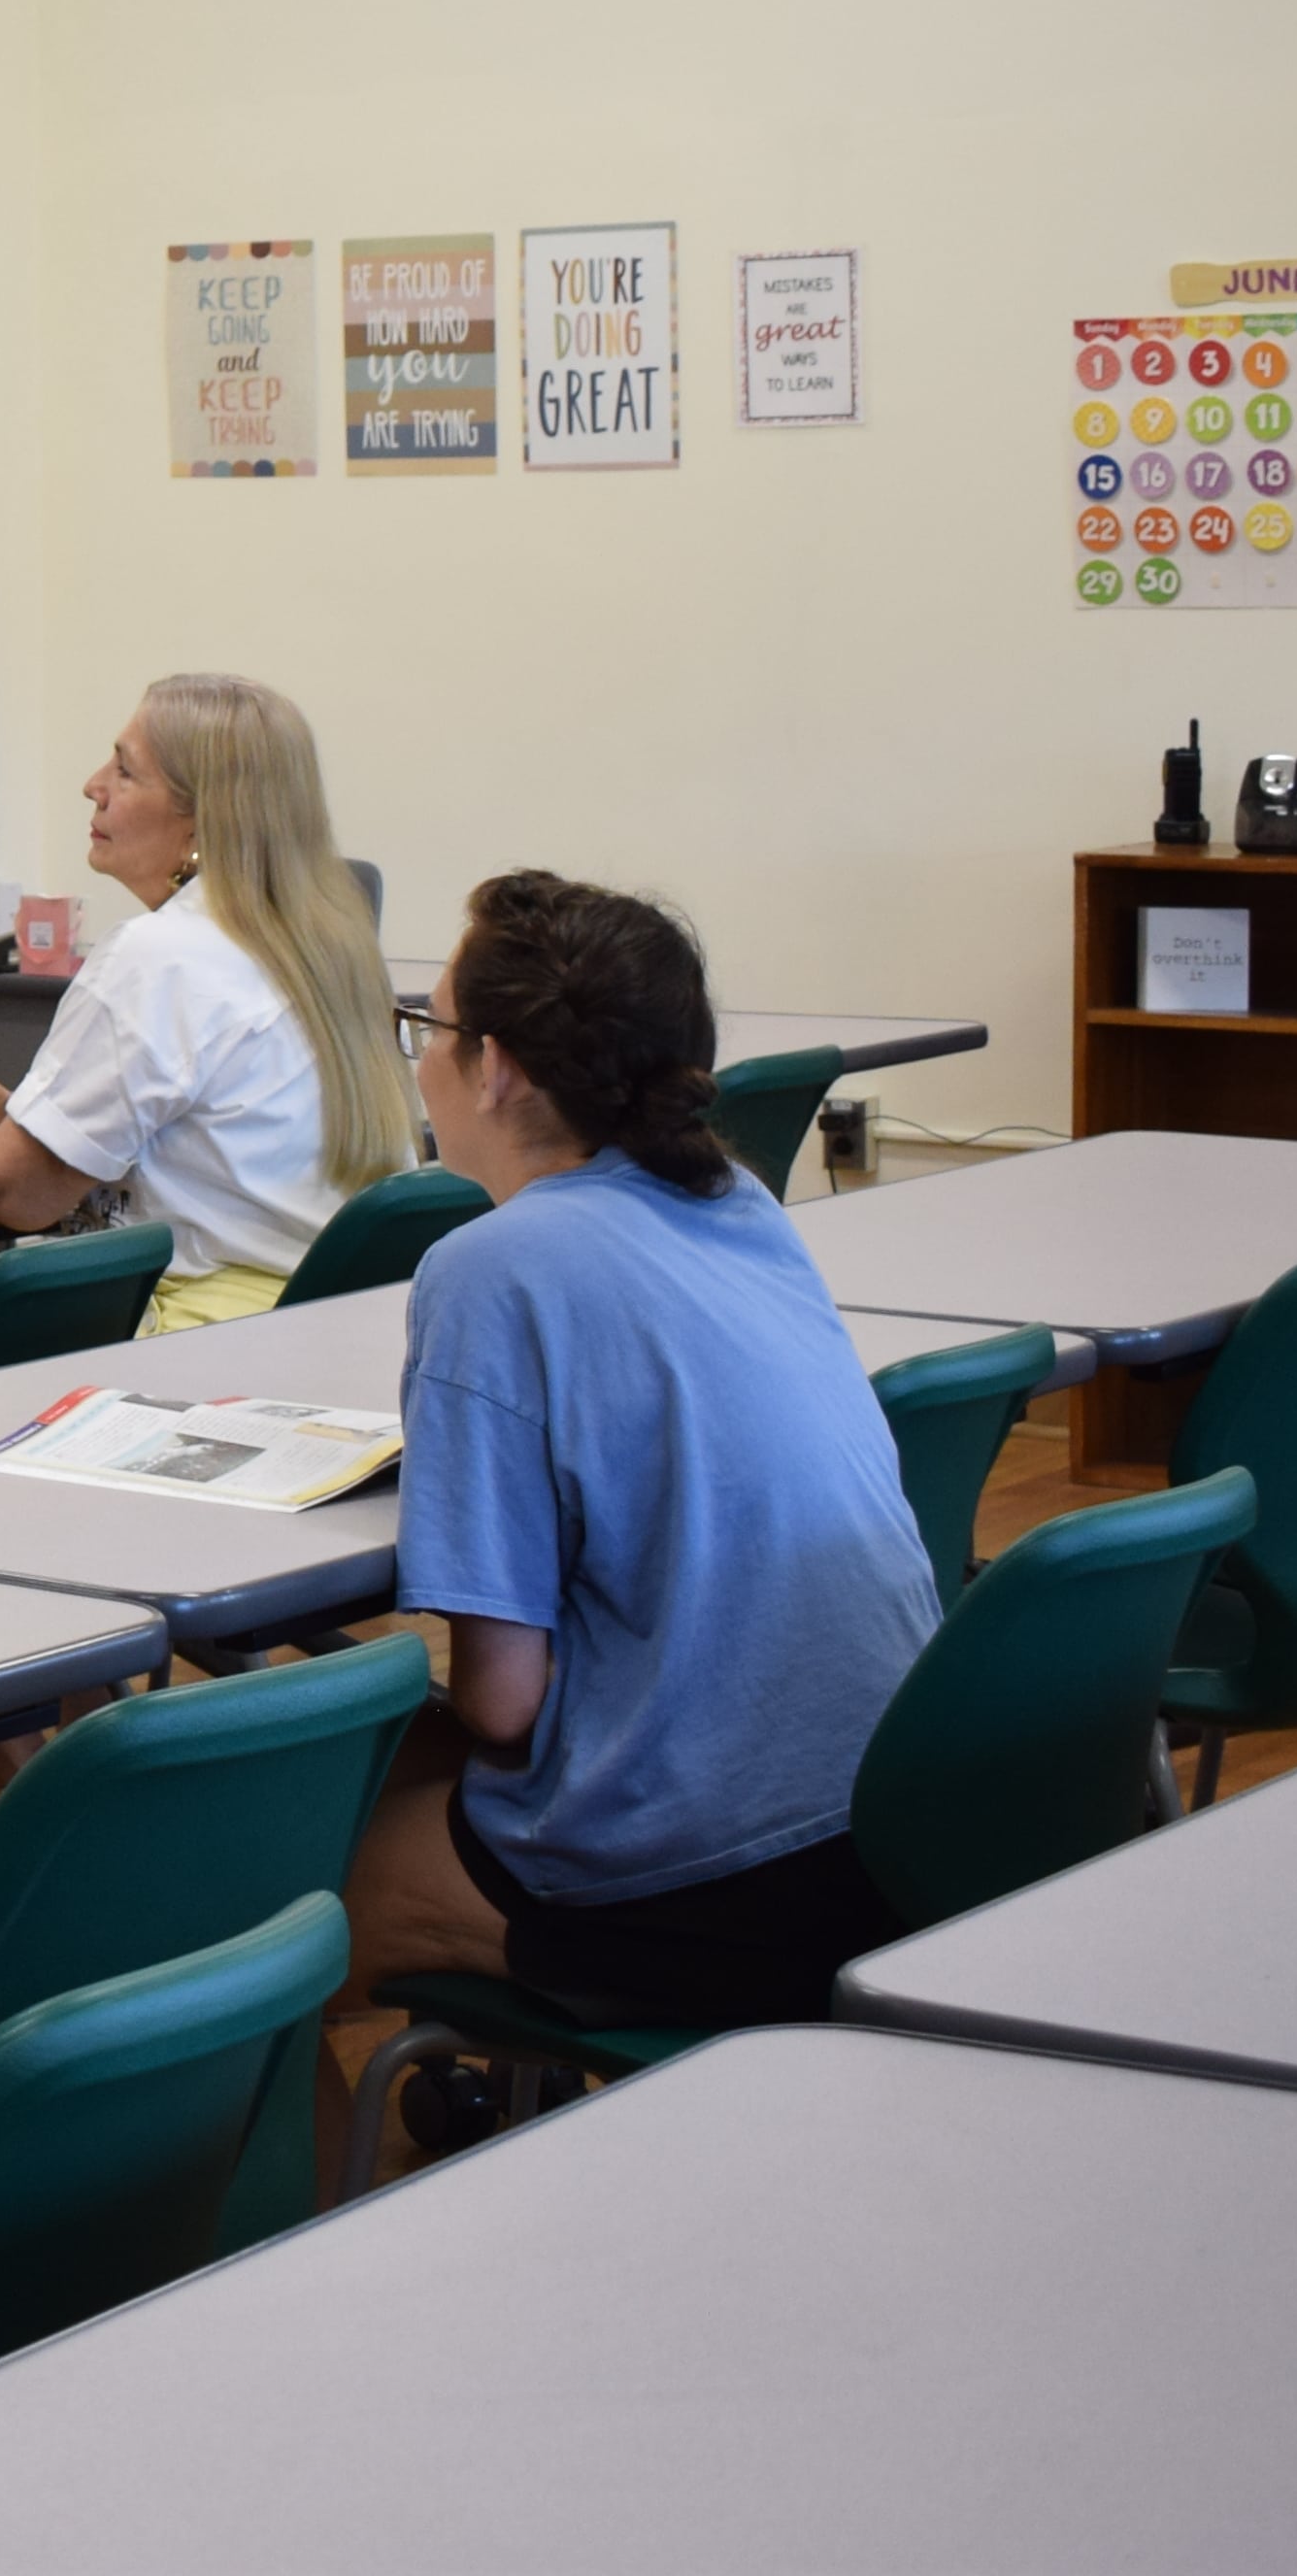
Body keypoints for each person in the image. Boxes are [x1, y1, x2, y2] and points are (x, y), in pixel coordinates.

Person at [337, 868, 938, 2061]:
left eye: (430, 1028)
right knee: (379, 1760)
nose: (421, 1057)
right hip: (898, 1824)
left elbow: (505, 1708)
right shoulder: (741, 1200)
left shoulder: (487, 1270)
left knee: (254, 1911)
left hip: (710, 1886)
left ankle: (311, 2244)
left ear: (496, 1065)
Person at [0, 672, 407, 1334]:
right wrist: (28, 1118)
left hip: (206, 1354)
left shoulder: (161, 954)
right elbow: (222, 1155)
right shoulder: (331, 944)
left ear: (201, 817)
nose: (92, 786)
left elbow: (8, 1190)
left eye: (124, 772)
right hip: (337, 1336)